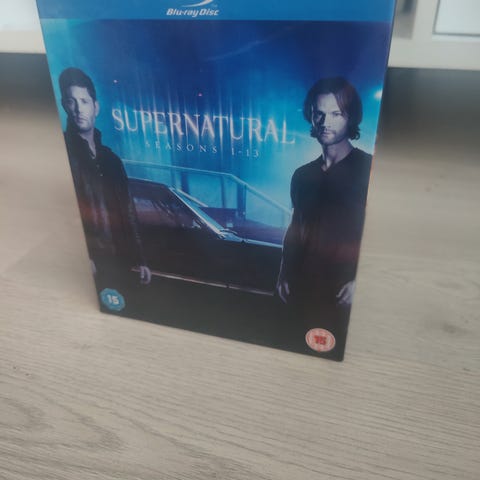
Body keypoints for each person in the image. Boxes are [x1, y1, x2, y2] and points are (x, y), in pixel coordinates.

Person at [277, 77, 371, 339]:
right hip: (303, 287)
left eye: (336, 114)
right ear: (311, 116)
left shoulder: (368, 169)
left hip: (343, 290)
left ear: (350, 117)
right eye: (319, 113)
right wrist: (284, 272)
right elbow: (296, 226)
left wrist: (361, 281)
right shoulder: (302, 175)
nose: (325, 122)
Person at [59, 67, 151, 302]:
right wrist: (84, 257)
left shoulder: (112, 160)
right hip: (94, 261)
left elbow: (129, 211)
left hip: (122, 259)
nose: (78, 109)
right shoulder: (64, 153)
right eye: (71, 101)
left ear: (96, 107)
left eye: (84, 101)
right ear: (64, 106)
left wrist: (140, 259)